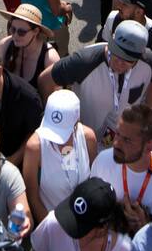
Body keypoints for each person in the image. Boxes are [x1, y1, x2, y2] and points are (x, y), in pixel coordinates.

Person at [40, 20, 152, 142]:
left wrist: (148, 109)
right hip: (85, 140)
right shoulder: (84, 62)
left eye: (128, 60)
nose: (120, 63)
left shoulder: (150, 62)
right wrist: (57, 118)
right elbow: (45, 80)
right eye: (116, 54)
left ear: (141, 55)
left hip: (122, 140)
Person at [88, 104, 152, 233]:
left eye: (127, 140)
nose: (116, 143)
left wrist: (146, 227)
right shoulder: (103, 161)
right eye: (117, 134)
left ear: (149, 146)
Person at [22, 89, 98, 224]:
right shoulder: (34, 147)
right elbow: (32, 196)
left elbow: (94, 181)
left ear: (76, 123)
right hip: (51, 226)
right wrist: (53, 231)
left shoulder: (88, 138)